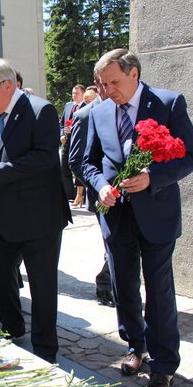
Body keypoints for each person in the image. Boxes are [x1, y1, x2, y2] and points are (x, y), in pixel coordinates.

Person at [82, 49, 193, 387]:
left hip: (157, 214)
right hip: (117, 215)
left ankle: (164, 365)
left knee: (159, 291)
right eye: (102, 83)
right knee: (124, 286)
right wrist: (100, 185)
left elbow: (190, 155)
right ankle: (135, 346)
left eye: (114, 82)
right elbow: (88, 162)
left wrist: (153, 176)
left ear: (134, 73)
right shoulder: (98, 111)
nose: (107, 89)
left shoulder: (168, 103)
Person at [0, 58, 71, 363]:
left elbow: (44, 158)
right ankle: (12, 330)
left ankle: (45, 352)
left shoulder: (40, 110)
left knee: (42, 287)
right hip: (6, 220)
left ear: (8, 86)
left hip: (40, 218)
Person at [68, 76, 115, 307]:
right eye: (108, 83)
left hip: (129, 192)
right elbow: (75, 160)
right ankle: (107, 283)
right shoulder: (85, 115)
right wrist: (99, 186)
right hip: (102, 195)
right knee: (114, 242)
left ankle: (111, 283)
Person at [60, 85, 85, 201]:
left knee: (76, 164)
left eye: (77, 93)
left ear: (83, 94)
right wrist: (62, 134)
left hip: (79, 141)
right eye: (73, 93)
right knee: (64, 165)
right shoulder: (68, 106)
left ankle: (79, 194)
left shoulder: (86, 107)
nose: (74, 95)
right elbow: (61, 122)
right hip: (67, 140)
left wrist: (73, 129)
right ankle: (69, 193)